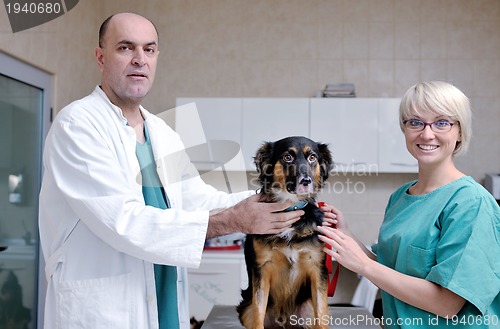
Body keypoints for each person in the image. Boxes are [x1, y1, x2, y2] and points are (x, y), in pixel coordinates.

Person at [38, 12, 304, 329]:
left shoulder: (163, 132)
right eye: (125, 47)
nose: (140, 59)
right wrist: (234, 219)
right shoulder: (78, 124)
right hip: (105, 313)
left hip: (163, 307)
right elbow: (123, 221)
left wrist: (276, 199)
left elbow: (199, 199)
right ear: (100, 57)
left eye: (149, 49)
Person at [318, 81, 500, 328]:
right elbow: (388, 268)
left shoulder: (471, 203)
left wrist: (363, 265)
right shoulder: (401, 196)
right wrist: (346, 234)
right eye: (415, 122)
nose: (426, 134)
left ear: (460, 131)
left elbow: (447, 304)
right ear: (404, 129)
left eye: (442, 122)